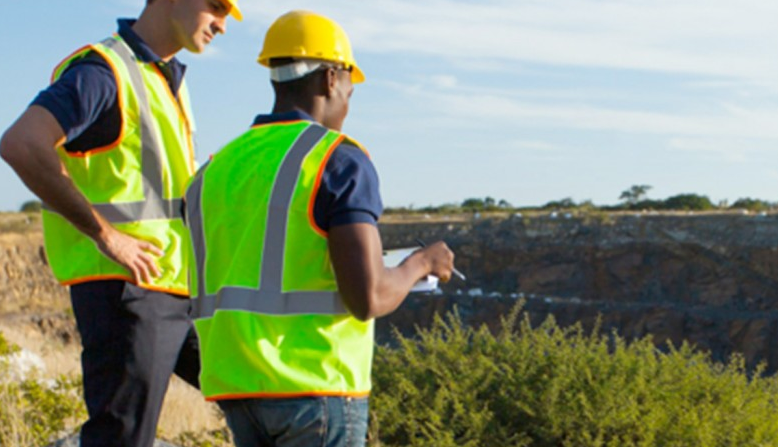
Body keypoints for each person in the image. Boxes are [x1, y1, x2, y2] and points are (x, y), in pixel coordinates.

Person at [184, 10, 456, 447]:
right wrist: (421, 262)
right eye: (351, 85)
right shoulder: (338, 160)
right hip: (315, 389)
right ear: (331, 79)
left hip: (238, 390)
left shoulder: (216, 168)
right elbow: (369, 297)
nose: (349, 99)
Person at [0, 1, 242, 446]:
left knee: (254, 393)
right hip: (128, 292)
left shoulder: (165, 78)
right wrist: (106, 236)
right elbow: (21, 143)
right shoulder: (104, 71)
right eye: (215, 7)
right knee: (122, 439)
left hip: (176, 289)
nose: (222, 25)